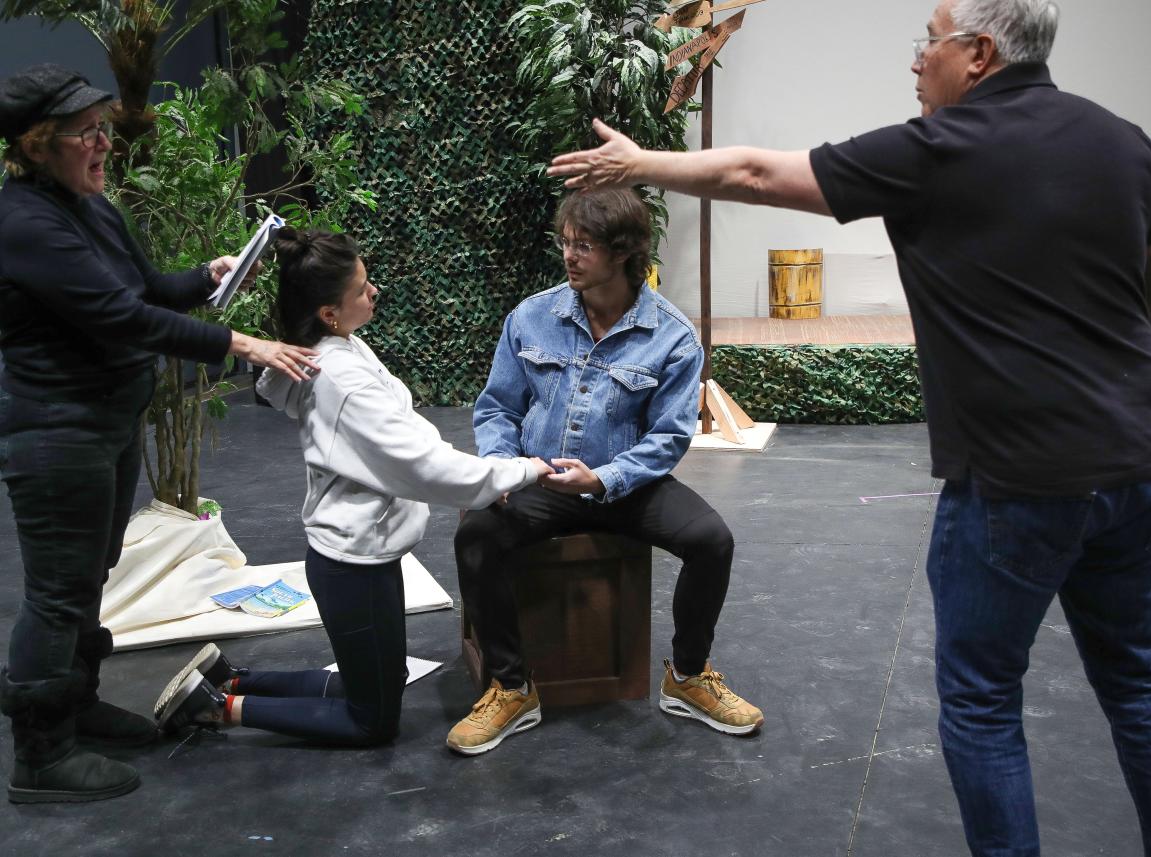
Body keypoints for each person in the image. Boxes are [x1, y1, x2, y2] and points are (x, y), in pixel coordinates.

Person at [547, 2, 1151, 854]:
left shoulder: (936, 152)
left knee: (982, 700)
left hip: (1015, 488)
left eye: (928, 43)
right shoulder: (1126, 143)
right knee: (1144, 684)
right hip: (1139, 470)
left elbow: (758, 176)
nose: (915, 62)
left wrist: (640, 161)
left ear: (978, 55)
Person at [0, 64, 318, 804]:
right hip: (55, 433)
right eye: (86, 132)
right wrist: (239, 342)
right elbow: (121, 319)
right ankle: (40, 754)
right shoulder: (23, 222)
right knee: (56, 592)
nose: (103, 141)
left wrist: (207, 277)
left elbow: (140, 289)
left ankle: (75, 707)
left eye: (102, 126)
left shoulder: (89, 205)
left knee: (88, 575)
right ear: (40, 144)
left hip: (103, 423)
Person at [154, 228, 552, 748]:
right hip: (352, 564)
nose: (374, 292)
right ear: (328, 313)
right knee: (372, 721)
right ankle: (218, 708)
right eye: (362, 288)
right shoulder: (342, 379)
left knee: (373, 685)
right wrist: (524, 470)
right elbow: (427, 466)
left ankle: (232, 679)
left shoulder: (333, 347)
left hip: (363, 552)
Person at [447, 187, 763, 756]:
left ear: (623, 253)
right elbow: (497, 408)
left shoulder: (670, 335)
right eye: (566, 243)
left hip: (625, 482)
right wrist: (500, 469)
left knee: (712, 539)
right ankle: (511, 687)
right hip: (539, 478)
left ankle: (688, 677)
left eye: (584, 246)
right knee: (476, 535)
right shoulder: (531, 317)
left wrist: (603, 479)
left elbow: (668, 437)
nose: (569, 256)